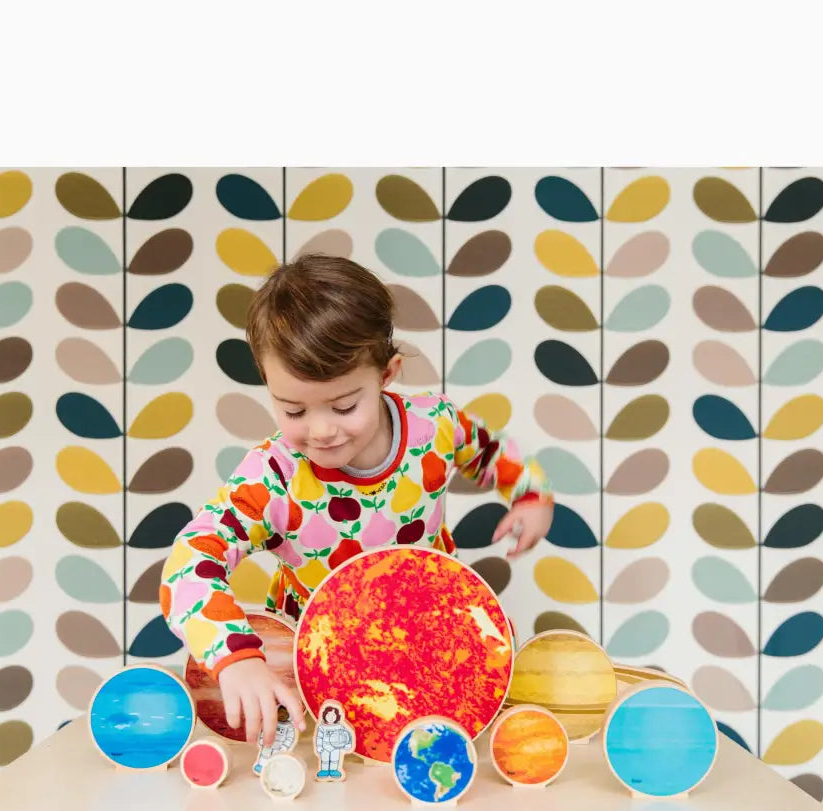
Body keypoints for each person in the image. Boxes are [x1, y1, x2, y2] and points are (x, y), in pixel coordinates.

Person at [159, 255, 554, 748]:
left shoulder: (435, 428)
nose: (321, 430)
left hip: (428, 654)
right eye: (293, 408)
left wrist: (530, 494)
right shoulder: (274, 477)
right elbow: (189, 561)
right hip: (322, 684)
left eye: (345, 406)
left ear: (387, 374)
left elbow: (488, 449)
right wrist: (236, 657)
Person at [314, 702, 355, 780]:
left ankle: (334, 770)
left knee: (335, 759)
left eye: (333, 716)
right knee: (324, 759)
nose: (331, 717)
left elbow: (347, 735)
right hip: (325, 747)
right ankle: (324, 770)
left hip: (335, 747)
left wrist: (347, 745)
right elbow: (319, 737)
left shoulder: (339, 726)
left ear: (337, 717)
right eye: (329, 715)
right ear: (324, 715)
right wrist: (319, 747)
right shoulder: (322, 727)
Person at [252, 705, 297, 775]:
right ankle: (261, 765)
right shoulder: (271, 722)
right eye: (281, 712)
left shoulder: (289, 726)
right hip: (268, 744)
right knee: (264, 754)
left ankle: (274, 768)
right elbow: (265, 731)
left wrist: (285, 747)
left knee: (276, 758)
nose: (282, 715)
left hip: (279, 748)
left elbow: (290, 738)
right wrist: (262, 740)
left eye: (286, 713)